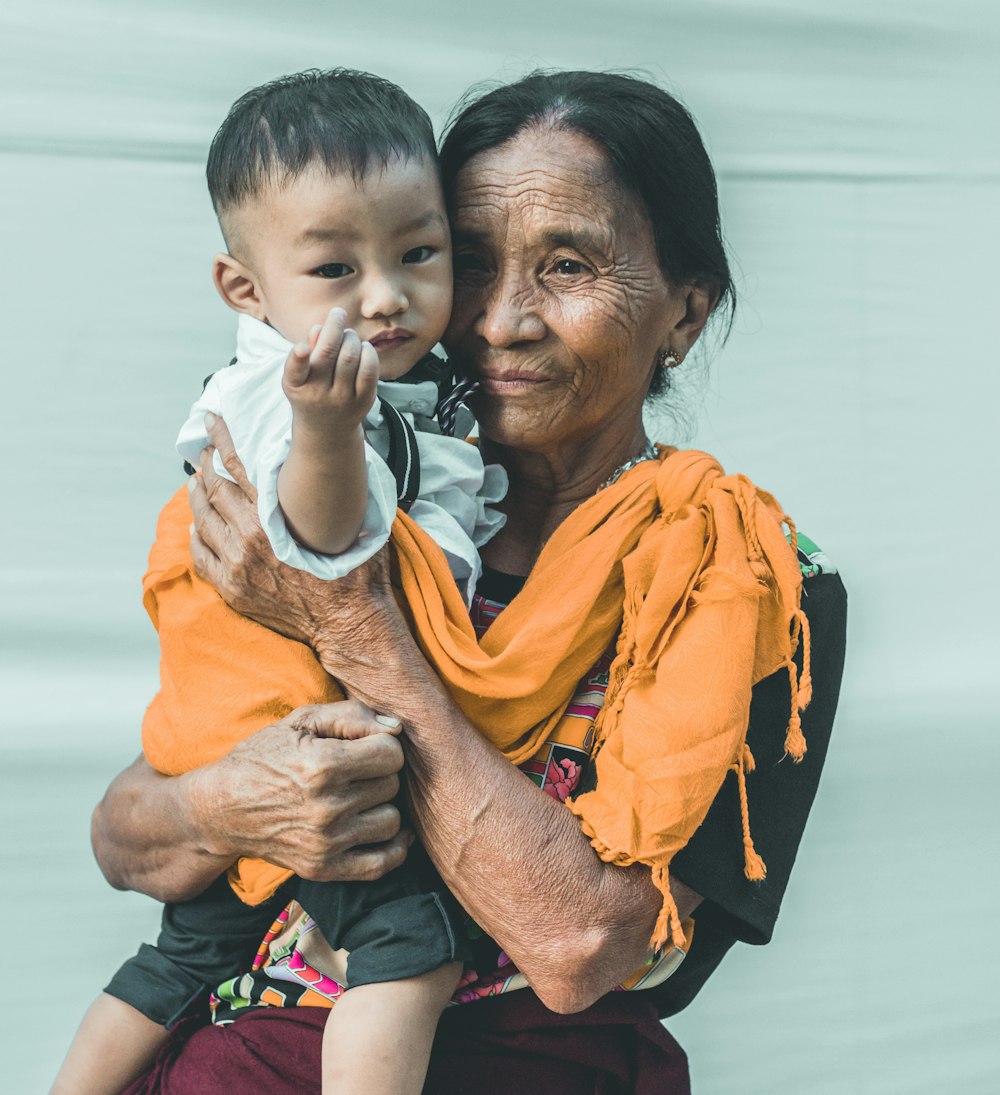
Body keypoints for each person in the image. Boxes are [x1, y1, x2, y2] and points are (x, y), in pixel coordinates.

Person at [82, 71, 847, 1094]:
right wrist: (229, 805)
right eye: (471, 261)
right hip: (238, 1053)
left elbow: (581, 944)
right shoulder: (367, 500)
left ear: (683, 312)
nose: (499, 320)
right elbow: (131, 827)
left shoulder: (738, 583)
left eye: (566, 265)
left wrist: (355, 629)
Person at [52, 69, 507, 1095]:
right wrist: (327, 432)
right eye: (336, 266)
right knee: (408, 951)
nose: (386, 295)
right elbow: (317, 543)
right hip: (290, 733)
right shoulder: (295, 398)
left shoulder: (382, 387)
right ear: (245, 290)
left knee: (187, 953)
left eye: (420, 253)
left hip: (221, 726)